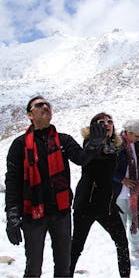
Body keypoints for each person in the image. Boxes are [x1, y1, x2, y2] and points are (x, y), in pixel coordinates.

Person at [5, 96, 106, 278]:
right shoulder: (19, 145)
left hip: (61, 213)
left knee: (63, 268)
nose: (45, 106)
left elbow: (81, 158)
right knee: (33, 269)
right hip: (33, 215)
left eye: (47, 105)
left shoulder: (63, 140)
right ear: (30, 114)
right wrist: (12, 215)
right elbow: (12, 182)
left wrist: (94, 145)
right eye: (39, 105)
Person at [70, 112, 130, 277]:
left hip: (107, 205)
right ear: (94, 127)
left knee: (122, 243)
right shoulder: (89, 145)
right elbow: (90, 155)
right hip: (86, 204)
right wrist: (95, 144)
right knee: (76, 247)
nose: (107, 124)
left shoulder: (114, 147)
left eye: (110, 121)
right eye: (101, 122)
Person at [114, 119, 139, 258]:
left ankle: (135, 248)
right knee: (120, 223)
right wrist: (122, 179)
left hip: (135, 191)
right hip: (120, 191)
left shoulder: (138, 143)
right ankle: (121, 250)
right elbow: (109, 167)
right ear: (128, 133)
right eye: (137, 136)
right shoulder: (117, 143)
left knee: (135, 219)